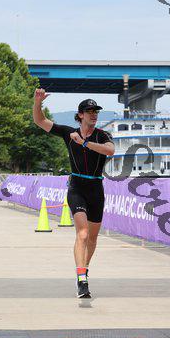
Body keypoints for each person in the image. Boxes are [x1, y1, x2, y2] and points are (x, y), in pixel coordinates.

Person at [33, 88, 115, 305]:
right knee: (83, 234)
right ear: (80, 115)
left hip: (96, 188)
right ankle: (81, 280)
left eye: (96, 111)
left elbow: (110, 151)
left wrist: (85, 143)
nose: (93, 115)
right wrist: (38, 102)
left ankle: (84, 269)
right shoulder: (68, 132)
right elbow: (40, 121)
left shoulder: (102, 135)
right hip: (77, 187)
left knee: (93, 238)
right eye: (89, 111)